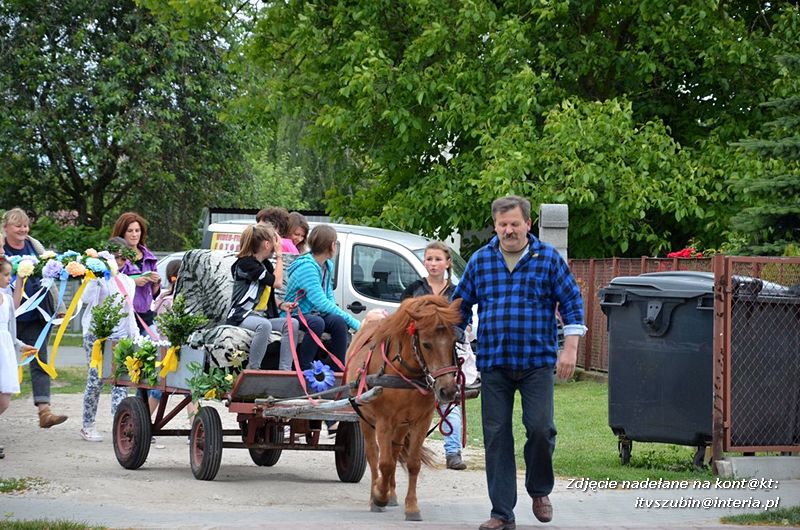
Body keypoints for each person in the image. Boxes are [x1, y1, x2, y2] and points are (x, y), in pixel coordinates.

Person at [452, 195, 586, 529]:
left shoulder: (548, 259)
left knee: (541, 428)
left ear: (529, 223)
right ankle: (502, 514)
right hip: (494, 361)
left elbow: (571, 302)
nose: (508, 230)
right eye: (502, 225)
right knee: (497, 437)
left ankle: (539, 489)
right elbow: (459, 305)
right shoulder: (480, 261)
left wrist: (569, 350)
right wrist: (454, 337)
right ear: (495, 226)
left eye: (514, 223)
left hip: (536, 361)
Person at [400, 240, 477, 471]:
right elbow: (403, 318)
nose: (433, 264)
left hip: (446, 353)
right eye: (429, 259)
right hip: (419, 355)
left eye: (438, 259)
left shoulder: (456, 292)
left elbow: (466, 320)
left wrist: (461, 332)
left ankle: (452, 452)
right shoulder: (414, 288)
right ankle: (407, 445)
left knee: (449, 399)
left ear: (447, 263)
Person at [2, 208, 68, 429]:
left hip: (37, 314)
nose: (23, 229)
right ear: (6, 228)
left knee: (39, 358)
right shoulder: (1, 247)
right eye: (17, 225)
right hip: (7, 316)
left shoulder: (35, 245)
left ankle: (44, 411)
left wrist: (59, 305)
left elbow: (48, 277)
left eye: (25, 225)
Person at [78, 239, 137, 442]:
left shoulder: (128, 282)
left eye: (122, 257)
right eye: (115, 257)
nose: (119, 261)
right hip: (96, 335)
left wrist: (134, 337)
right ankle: (88, 425)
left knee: (120, 383)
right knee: (95, 380)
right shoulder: (98, 279)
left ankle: (117, 425)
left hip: (120, 337)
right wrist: (96, 275)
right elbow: (86, 299)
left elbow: (130, 313)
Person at [282, 224, 360, 371]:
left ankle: (337, 366)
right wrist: (355, 323)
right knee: (317, 323)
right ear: (331, 245)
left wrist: (342, 317)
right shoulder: (307, 267)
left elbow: (329, 296)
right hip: (295, 313)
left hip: (315, 313)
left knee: (338, 322)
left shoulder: (327, 265)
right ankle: (305, 366)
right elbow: (321, 302)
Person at [226, 224, 298, 371]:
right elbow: (277, 283)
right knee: (264, 325)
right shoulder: (245, 264)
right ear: (267, 244)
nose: (277, 246)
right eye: (275, 242)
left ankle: (285, 370)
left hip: (260, 316)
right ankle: (254, 369)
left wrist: (280, 305)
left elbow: (264, 293)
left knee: (292, 323)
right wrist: (279, 256)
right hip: (242, 316)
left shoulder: (264, 265)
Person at [110, 212, 162, 413]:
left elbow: (155, 294)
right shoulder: (115, 256)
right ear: (122, 233)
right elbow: (112, 283)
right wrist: (134, 281)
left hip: (146, 316)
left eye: (137, 230)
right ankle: (132, 418)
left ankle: (143, 421)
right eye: (130, 231)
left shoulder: (148, 256)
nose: (134, 235)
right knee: (127, 369)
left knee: (151, 365)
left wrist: (155, 282)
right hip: (125, 317)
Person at [0, 258, 38, 458]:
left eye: (9, 275)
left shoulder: (5, 300)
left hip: (4, 351)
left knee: (4, 401)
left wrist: (21, 345)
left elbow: (10, 326)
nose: (9, 279)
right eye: (6, 275)